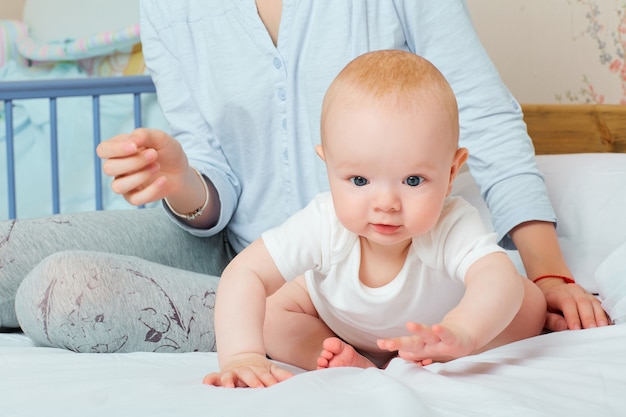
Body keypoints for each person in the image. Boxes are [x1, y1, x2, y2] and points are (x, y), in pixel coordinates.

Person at [5, 0, 607, 354]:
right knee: (9, 255)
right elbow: (215, 176)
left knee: (59, 291)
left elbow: (482, 114)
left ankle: (339, 339)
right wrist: (181, 175)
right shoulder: (171, 8)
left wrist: (547, 269)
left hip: (324, 294)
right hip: (233, 247)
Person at [202, 50, 547, 388]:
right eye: (359, 181)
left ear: (452, 172)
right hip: (337, 325)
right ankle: (335, 359)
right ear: (329, 165)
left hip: (439, 327)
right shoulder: (323, 224)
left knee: (526, 301)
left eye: (413, 180)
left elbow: (493, 275)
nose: (386, 204)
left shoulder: (451, 223)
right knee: (271, 314)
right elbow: (245, 272)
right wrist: (242, 355)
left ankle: (434, 355)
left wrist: (462, 330)